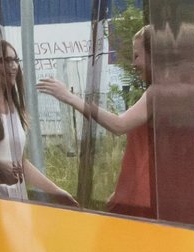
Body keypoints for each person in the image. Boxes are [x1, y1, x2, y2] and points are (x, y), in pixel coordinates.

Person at [37, 25, 153, 217]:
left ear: (154, 55)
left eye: (137, 56)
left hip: (144, 194)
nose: (133, 63)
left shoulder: (157, 92)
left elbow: (119, 125)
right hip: (141, 188)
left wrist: (70, 97)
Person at [0, 39, 78, 206]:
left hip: (17, 196)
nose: (12, 66)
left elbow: (21, 163)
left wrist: (56, 191)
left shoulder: (14, 107)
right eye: (3, 61)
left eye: (15, 60)